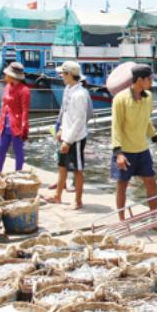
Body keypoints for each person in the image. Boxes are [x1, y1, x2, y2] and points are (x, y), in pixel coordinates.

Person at [111, 64, 157, 221]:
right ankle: (122, 220)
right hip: (125, 150)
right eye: (150, 79)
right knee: (122, 185)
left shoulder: (148, 97)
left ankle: (154, 219)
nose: (151, 83)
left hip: (142, 149)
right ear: (140, 80)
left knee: (151, 182)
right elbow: (116, 127)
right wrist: (118, 154)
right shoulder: (120, 99)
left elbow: (147, 122)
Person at [46, 61, 93, 208]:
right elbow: (65, 112)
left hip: (76, 138)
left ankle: (78, 200)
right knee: (62, 166)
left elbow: (79, 121)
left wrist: (69, 141)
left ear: (69, 75)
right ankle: (57, 195)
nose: (61, 76)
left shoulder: (80, 94)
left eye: (63, 74)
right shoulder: (68, 89)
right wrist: (60, 130)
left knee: (78, 170)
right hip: (66, 133)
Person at [0, 62, 31, 174]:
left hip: (17, 125)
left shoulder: (24, 90)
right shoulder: (7, 87)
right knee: (1, 148)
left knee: (18, 150)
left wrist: (24, 127)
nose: (4, 76)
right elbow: (4, 104)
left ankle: (18, 172)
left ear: (12, 76)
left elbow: (25, 110)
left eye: (6, 74)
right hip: (5, 123)